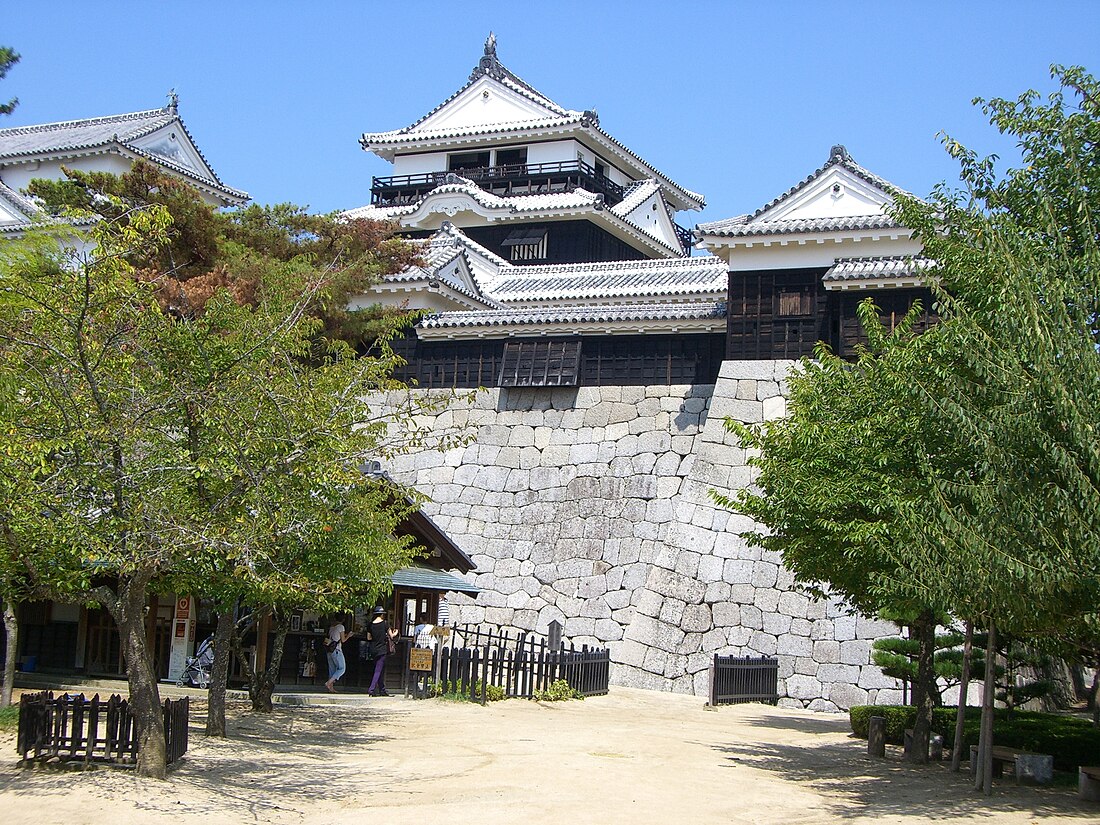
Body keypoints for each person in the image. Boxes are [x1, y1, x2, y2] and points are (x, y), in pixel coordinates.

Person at [367, 606, 397, 696]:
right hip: (382, 649)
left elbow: (368, 637)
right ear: (382, 615)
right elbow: (391, 636)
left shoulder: (370, 624)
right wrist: (395, 632)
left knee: (379, 669)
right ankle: (371, 689)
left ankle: (382, 689)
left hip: (373, 648)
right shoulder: (385, 623)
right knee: (378, 670)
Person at [324, 615, 356, 693]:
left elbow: (335, 637)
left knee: (332, 669)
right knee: (342, 668)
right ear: (343, 620)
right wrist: (349, 635)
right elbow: (343, 640)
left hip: (329, 650)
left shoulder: (331, 627)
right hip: (337, 650)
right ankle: (329, 682)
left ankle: (330, 688)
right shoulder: (341, 627)